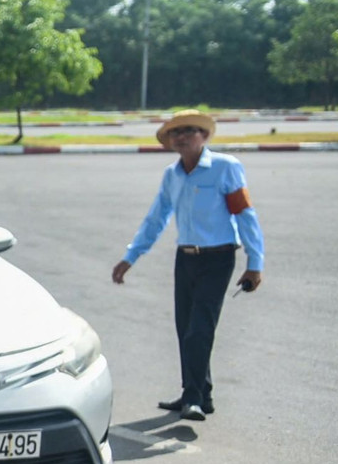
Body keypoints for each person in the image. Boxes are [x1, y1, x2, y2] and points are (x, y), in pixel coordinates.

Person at [111, 109, 264, 422]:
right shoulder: (172, 175)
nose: (181, 137)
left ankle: (192, 397)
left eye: (190, 130)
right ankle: (199, 394)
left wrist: (254, 262)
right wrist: (131, 256)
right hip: (186, 258)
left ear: (204, 136)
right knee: (186, 328)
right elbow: (156, 218)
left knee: (199, 329)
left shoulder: (225, 168)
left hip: (218, 257)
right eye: (175, 133)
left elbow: (244, 214)